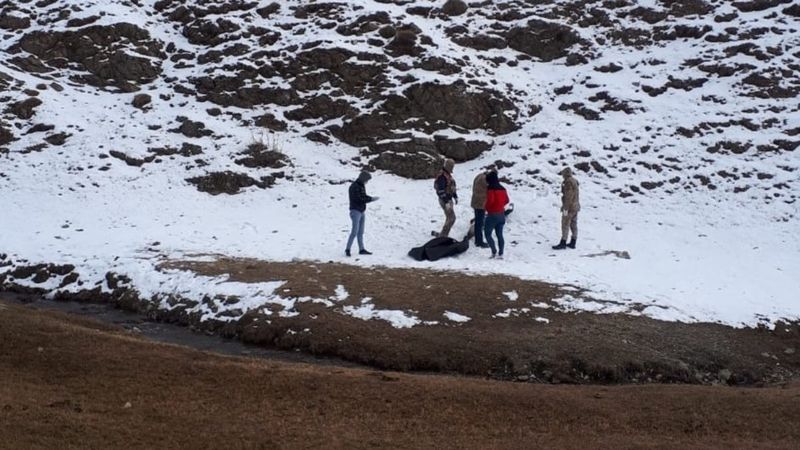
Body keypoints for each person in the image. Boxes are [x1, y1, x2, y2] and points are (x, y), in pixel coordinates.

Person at [346, 171, 378, 257]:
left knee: (360, 232)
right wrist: (371, 199)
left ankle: (361, 249)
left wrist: (370, 198)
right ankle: (348, 249)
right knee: (354, 231)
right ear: (363, 178)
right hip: (355, 211)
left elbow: (363, 196)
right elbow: (360, 199)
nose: (367, 182)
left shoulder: (361, 185)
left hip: (361, 211)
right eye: (367, 180)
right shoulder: (354, 186)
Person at [552, 167, 580, 250]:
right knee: (574, 224)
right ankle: (573, 242)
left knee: (565, 223)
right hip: (576, 206)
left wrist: (565, 208)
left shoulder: (568, 182)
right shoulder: (575, 180)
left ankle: (563, 242)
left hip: (568, 208)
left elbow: (568, 196)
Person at [484, 171, 509, 259]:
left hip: (492, 215)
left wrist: (486, 207)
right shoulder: (503, 188)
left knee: (487, 234)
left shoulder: (491, 189)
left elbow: (490, 201)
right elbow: (507, 200)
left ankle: (494, 251)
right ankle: (501, 253)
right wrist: (500, 205)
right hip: (501, 215)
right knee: (500, 235)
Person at [434, 158, 458, 238]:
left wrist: (455, 196)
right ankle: (443, 236)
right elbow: (441, 191)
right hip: (444, 200)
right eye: (452, 166)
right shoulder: (442, 176)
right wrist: (446, 202)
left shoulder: (448, 175)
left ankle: (443, 235)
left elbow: (451, 187)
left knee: (449, 218)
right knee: (452, 218)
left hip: (448, 199)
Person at [471, 168, 490, 248]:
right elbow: (489, 188)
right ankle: (479, 241)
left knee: (478, 221)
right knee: (479, 222)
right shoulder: (485, 179)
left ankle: (477, 240)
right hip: (480, 203)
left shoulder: (478, 176)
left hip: (475, 201)